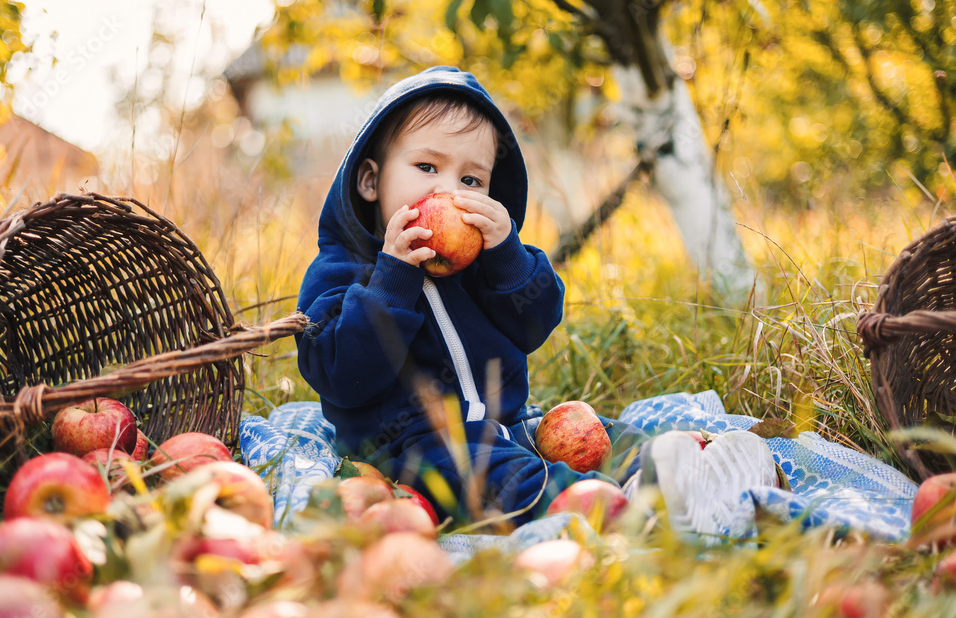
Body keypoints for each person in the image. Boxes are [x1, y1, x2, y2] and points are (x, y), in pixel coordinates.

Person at [295, 66, 776, 537]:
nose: (448, 192)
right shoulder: (342, 271)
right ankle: (617, 508)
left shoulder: (482, 257)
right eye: (426, 167)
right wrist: (392, 279)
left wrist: (507, 256)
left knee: (598, 434)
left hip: (511, 423)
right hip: (415, 449)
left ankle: (691, 466)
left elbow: (535, 324)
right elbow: (341, 373)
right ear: (370, 182)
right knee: (497, 475)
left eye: (471, 181)